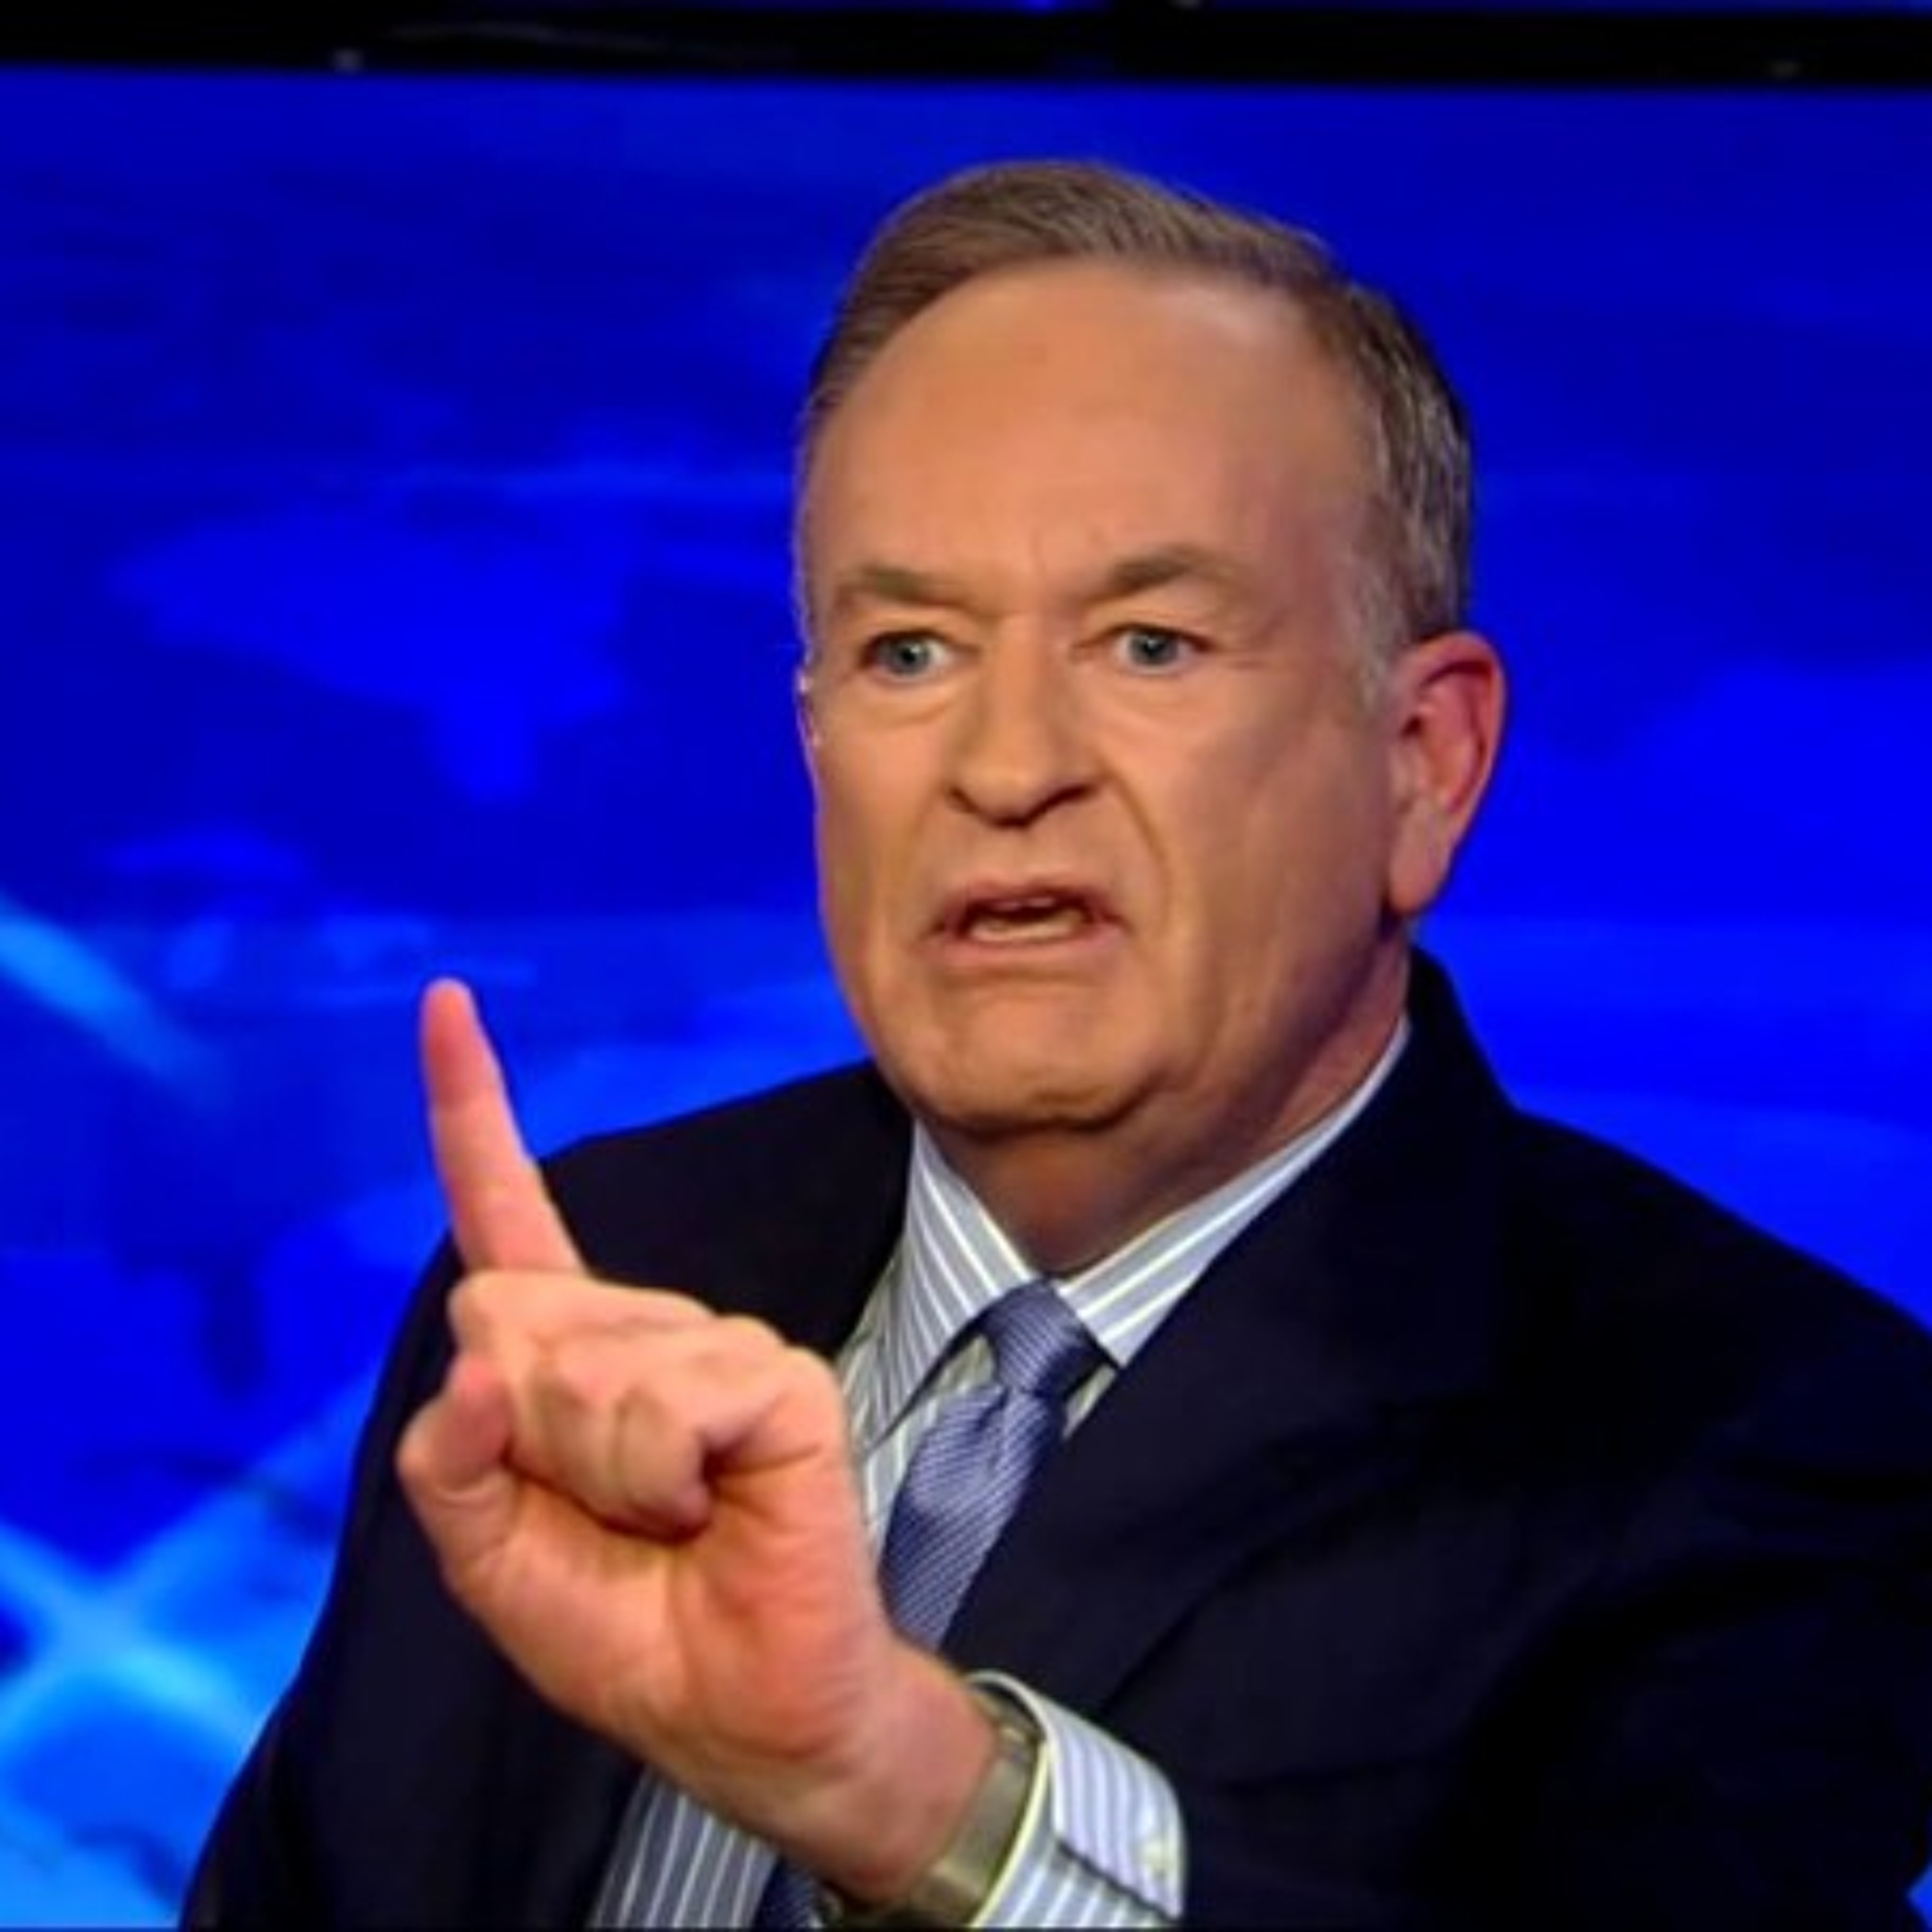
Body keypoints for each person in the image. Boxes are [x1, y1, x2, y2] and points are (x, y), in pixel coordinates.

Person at [184, 158, 1932, 1929]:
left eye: (1150, 644)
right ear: (815, 739)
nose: (1008, 766)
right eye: (910, 651)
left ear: (1426, 763)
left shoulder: (1753, 1432)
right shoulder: (596, 1282)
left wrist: (928, 1802)